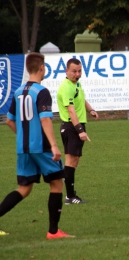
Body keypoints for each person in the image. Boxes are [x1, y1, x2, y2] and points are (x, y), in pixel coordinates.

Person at [0, 52, 74, 239]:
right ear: (42, 68)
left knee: (24, 189)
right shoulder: (41, 91)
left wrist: (24, 135)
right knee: (57, 184)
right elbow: (45, 120)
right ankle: (53, 231)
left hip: (23, 148)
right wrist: (55, 146)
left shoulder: (18, 92)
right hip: (42, 147)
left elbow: (9, 121)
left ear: (27, 68)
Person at [57, 58, 99, 204]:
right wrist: (80, 130)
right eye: (74, 71)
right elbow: (71, 111)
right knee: (70, 161)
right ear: (66, 71)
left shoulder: (76, 84)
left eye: (79, 71)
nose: (77, 74)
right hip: (71, 127)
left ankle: (70, 193)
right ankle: (69, 196)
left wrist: (91, 109)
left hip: (75, 126)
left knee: (74, 161)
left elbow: (82, 99)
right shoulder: (67, 87)